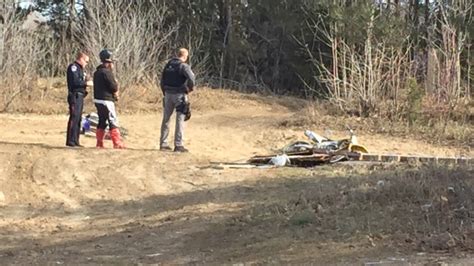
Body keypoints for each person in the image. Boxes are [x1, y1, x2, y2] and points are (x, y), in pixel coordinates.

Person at [159, 48, 195, 152]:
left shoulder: (168, 65)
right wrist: (189, 89)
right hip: (179, 95)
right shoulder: (183, 66)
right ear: (185, 56)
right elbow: (192, 78)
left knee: (166, 119)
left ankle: (163, 143)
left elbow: (162, 81)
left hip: (168, 94)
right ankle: (178, 145)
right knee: (180, 119)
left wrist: (164, 92)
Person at [93, 49, 125, 149]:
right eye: (111, 62)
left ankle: (99, 143)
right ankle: (117, 143)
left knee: (102, 121)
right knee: (112, 120)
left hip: (98, 100)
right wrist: (116, 93)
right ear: (108, 62)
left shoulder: (97, 72)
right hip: (106, 100)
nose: (112, 65)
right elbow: (113, 86)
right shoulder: (107, 72)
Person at [66, 51, 91, 147]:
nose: (86, 63)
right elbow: (75, 82)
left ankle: (76, 140)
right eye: (86, 61)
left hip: (80, 96)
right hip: (74, 96)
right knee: (74, 117)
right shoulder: (74, 67)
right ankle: (71, 140)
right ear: (81, 59)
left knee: (79, 118)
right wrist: (86, 83)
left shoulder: (81, 69)